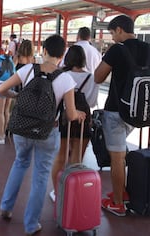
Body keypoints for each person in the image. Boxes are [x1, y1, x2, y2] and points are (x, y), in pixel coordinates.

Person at [0, 35, 86, 235]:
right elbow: (71, 115)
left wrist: (16, 96)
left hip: (22, 128)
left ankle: (6, 207)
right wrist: (80, 114)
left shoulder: (28, 69)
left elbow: (1, 88)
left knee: (20, 163)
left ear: (44, 50)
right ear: (62, 55)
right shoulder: (66, 79)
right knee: (40, 176)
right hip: (47, 132)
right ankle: (31, 225)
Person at [94, 15, 150, 216]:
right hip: (139, 113)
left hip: (117, 111)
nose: (112, 37)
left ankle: (118, 203)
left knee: (117, 157)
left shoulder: (117, 50)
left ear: (119, 30)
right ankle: (123, 192)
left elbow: (97, 77)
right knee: (122, 154)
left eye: (111, 33)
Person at [50, 45, 95, 201]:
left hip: (66, 116)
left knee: (60, 157)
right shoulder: (91, 77)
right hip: (84, 118)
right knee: (77, 160)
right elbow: (92, 101)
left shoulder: (62, 75)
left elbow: (56, 99)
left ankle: (57, 193)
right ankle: (73, 192)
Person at [74, 26, 102, 107]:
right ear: (89, 37)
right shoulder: (96, 52)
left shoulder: (72, 49)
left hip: (74, 89)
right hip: (91, 88)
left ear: (78, 36)